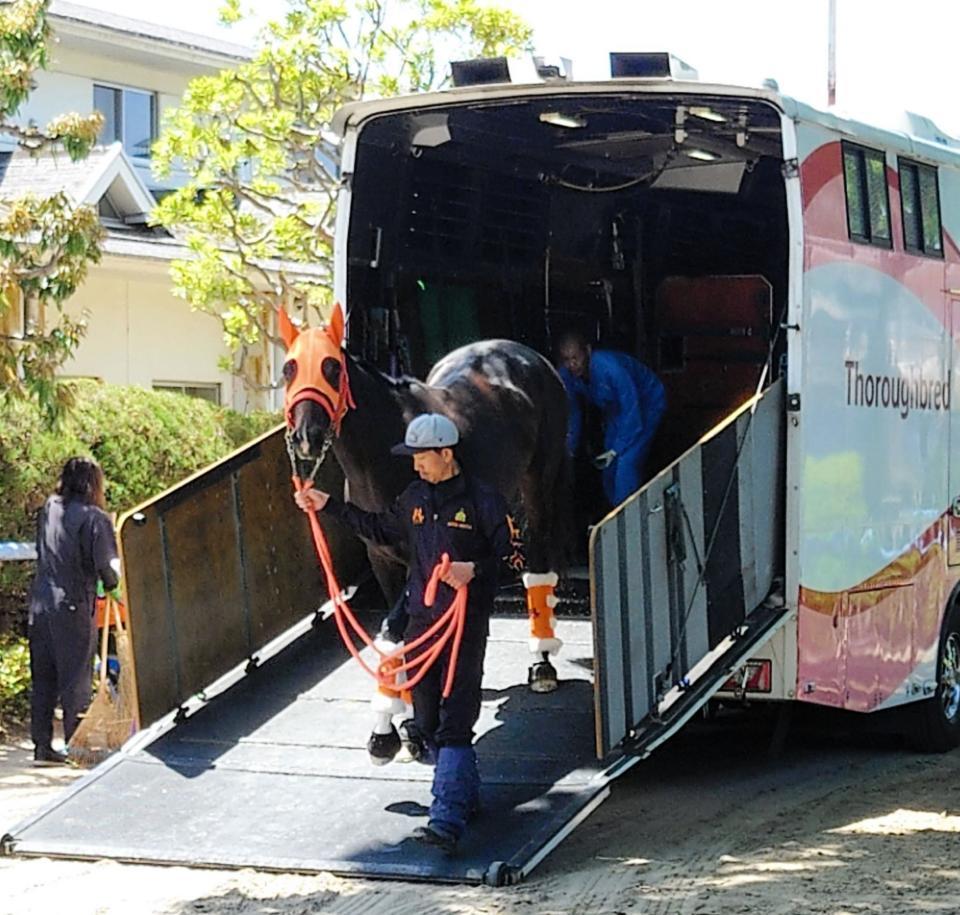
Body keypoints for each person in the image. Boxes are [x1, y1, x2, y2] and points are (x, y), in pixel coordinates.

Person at [294, 412, 523, 854]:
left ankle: (447, 820)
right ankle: (463, 796)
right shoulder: (414, 497)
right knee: (428, 723)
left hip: (463, 629)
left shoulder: (484, 501)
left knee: (456, 722)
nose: (416, 465)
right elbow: (380, 529)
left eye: (422, 457)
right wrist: (330, 506)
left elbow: (514, 560)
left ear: (446, 454)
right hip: (422, 627)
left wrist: (473, 570)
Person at [28, 456, 120, 766]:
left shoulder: (49, 508)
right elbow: (107, 567)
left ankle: (42, 746)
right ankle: (76, 746)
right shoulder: (95, 518)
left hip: (40, 603)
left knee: (43, 678)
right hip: (72, 606)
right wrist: (114, 586)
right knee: (75, 679)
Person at [556, 330, 667, 507]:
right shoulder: (567, 376)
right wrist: (570, 447)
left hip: (646, 402)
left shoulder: (611, 368)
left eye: (575, 357)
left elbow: (632, 409)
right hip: (615, 410)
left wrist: (616, 449)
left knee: (626, 463)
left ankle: (624, 518)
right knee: (608, 468)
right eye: (566, 359)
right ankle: (612, 512)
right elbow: (573, 412)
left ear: (588, 351)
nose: (572, 364)